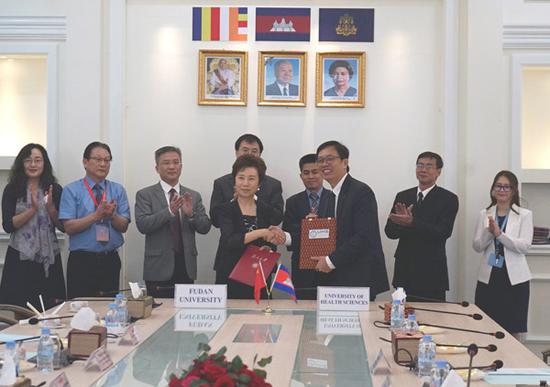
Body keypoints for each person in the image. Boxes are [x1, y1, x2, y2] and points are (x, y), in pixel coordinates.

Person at [310, 141, 389, 299]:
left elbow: (364, 236)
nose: (324, 164)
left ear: (345, 162)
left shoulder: (361, 192)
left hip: (358, 277)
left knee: (360, 324)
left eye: (330, 158)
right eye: (320, 160)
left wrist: (330, 261)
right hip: (335, 277)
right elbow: (328, 234)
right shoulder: (328, 196)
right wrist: (287, 237)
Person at [135, 146, 211, 298]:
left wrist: (191, 215)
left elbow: (205, 227)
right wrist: (169, 212)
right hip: (158, 267)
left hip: (186, 266)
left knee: (185, 316)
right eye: (166, 163)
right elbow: (143, 225)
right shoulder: (145, 194)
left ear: (181, 167)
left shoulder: (193, 195)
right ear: (157, 168)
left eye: (176, 162)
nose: (172, 166)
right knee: (157, 317)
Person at [59, 142, 131, 298]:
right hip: (82, 261)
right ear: (85, 162)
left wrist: (112, 216)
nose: (103, 164)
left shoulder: (118, 190)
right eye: (98, 159)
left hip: (110, 259)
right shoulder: (71, 190)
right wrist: (96, 216)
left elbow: (124, 225)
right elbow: (69, 227)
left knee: (109, 311)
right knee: (79, 312)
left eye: (107, 160)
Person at [384, 152, 459, 302]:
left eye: (429, 166)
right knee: (401, 318)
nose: (423, 170)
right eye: (420, 165)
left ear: (438, 172)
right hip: (404, 270)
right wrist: (398, 223)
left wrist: (412, 222)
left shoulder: (448, 198)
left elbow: (443, 232)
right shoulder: (403, 196)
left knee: (432, 323)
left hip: (431, 272)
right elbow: (390, 233)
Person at [0, 144, 66, 308]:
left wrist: (50, 208)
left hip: (49, 258)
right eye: (28, 160)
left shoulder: (54, 189)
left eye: (38, 160)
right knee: (20, 309)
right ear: (21, 164)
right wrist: (33, 210)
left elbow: (63, 226)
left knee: (51, 309)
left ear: (45, 163)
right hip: (20, 258)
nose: (33, 165)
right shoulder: (13, 189)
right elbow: (8, 225)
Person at [213, 155, 284, 299]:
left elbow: (268, 241)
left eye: (251, 178)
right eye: (241, 178)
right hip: (230, 272)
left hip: (258, 273)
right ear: (234, 180)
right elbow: (230, 241)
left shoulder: (266, 209)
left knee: (260, 318)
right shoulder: (225, 209)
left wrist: (268, 248)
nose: (245, 183)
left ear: (259, 183)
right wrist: (261, 232)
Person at [473, 171, 532, 337]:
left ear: (514, 191)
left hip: (515, 279)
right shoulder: (485, 214)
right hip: (489, 276)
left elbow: (524, 246)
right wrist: (489, 232)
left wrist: (500, 235)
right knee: (486, 326)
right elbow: (477, 246)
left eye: (507, 187)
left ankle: (512, 362)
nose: (502, 190)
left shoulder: (524, 215)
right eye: (498, 186)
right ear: (493, 190)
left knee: (512, 328)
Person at [280, 154, 334, 299]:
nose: (311, 176)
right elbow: (287, 234)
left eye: (315, 172)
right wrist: (306, 226)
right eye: (306, 173)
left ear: (322, 173)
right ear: (301, 175)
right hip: (302, 267)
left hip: (330, 264)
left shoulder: (335, 198)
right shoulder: (293, 202)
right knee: (304, 310)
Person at [210, 133, 283, 228]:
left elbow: (277, 219)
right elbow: (215, 221)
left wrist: (254, 199)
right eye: (245, 150)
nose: (249, 154)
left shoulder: (273, 185)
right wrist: (234, 202)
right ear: (236, 152)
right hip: (231, 241)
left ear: (260, 154)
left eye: (254, 151)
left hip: (264, 241)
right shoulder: (221, 183)